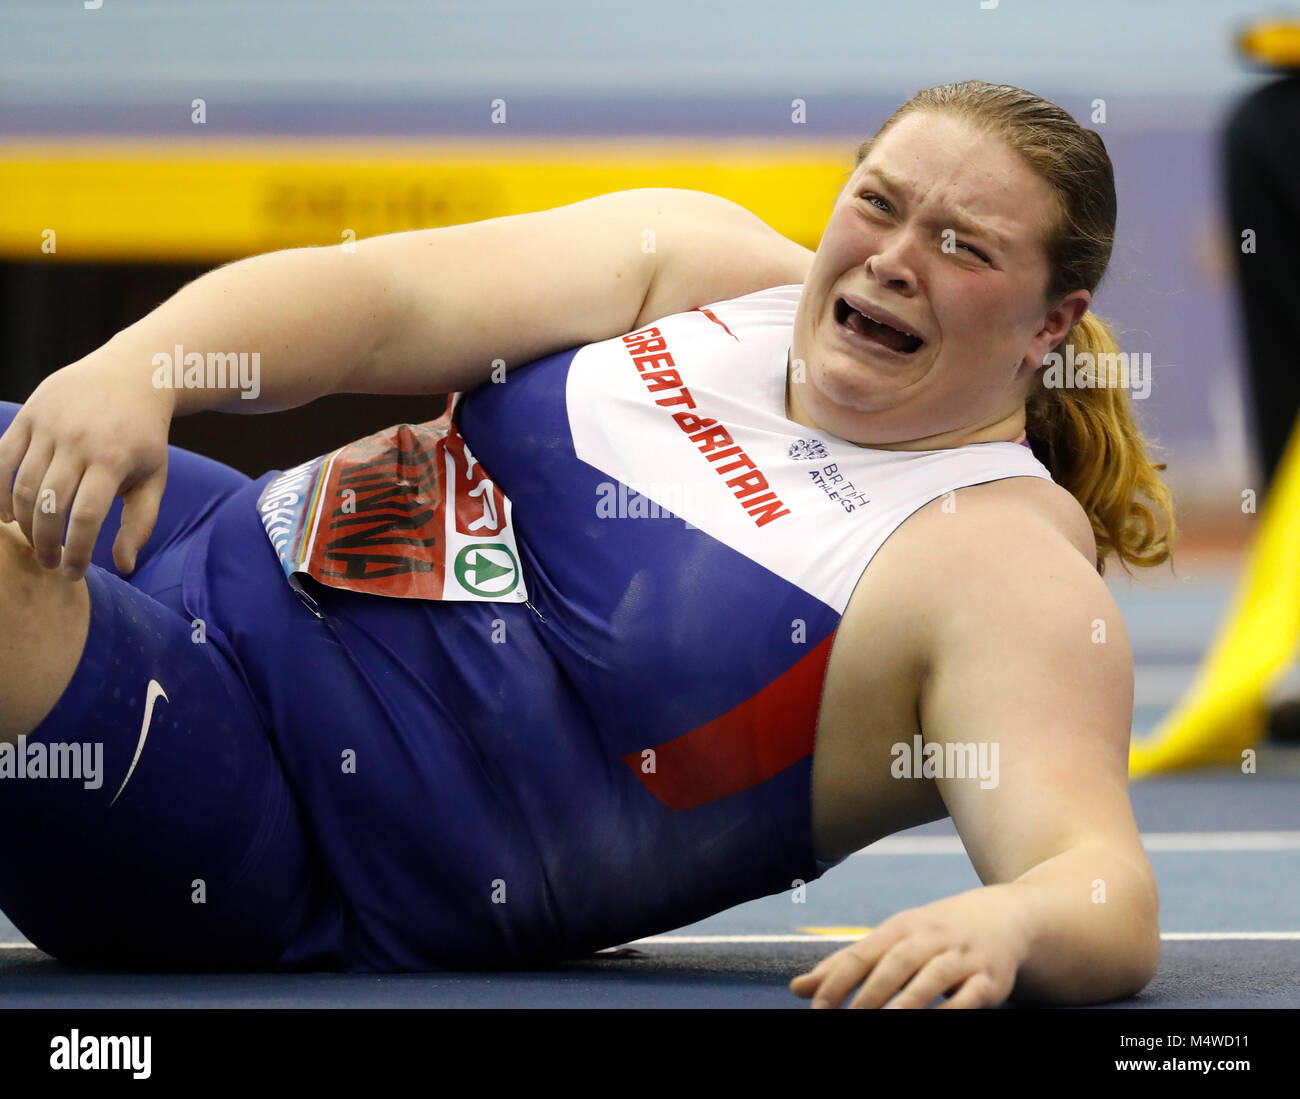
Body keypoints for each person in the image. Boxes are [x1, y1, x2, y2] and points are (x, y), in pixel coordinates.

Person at [0, 80, 1173, 1008]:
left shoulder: (996, 562)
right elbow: (378, 307)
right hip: (194, 538)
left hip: (272, 832)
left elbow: (1100, 885)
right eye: (877, 201)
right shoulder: (699, 261)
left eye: (962, 246)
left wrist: (1009, 922)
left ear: (1051, 324)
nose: (894, 257)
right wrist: (137, 370)